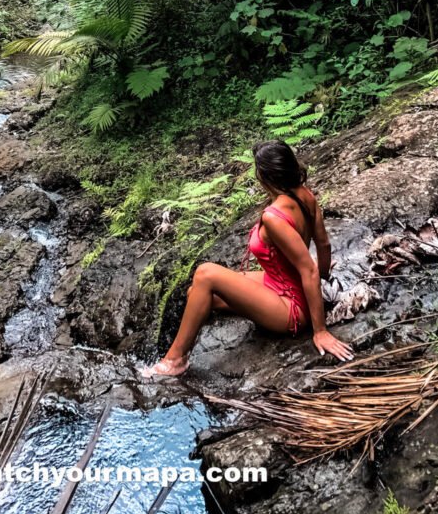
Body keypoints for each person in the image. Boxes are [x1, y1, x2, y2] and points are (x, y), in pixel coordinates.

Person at [145, 140, 353, 376]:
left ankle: (175, 360)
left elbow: (309, 270)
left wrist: (320, 330)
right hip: (278, 282)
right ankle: (183, 347)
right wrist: (325, 278)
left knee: (205, 273)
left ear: (263, 176)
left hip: (292, 309)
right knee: (198, 294)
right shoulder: (305, 195)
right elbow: (323, 245)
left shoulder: (274, 217)